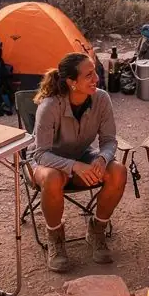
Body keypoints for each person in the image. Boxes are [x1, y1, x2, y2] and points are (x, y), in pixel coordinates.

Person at [28, 52, 127, 273]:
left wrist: (102, 159)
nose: (96, 79)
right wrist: (75, 167)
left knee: (118, 171)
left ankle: (97, 229)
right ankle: (55, 236)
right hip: (45, 161)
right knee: (53, 178)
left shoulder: (101, 99)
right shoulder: (50, 106)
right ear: (72, 82)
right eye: (89, 75)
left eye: (95, 73)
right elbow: (41, 153)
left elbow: (110, 140)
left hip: (80, 154)